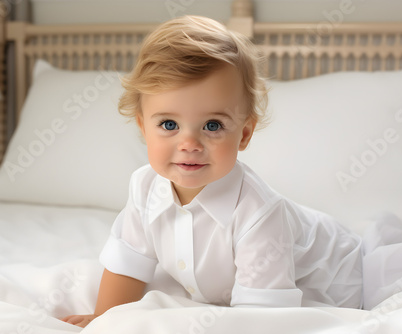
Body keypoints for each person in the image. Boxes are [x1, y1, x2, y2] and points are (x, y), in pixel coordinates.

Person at [62, 15, 363, 328]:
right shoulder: (143, 187)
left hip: (332, 273)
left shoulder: (258, 214)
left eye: (213, 125)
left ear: (244, 134)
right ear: (142, 127)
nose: (190, 143)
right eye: (169, 125)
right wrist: (103, 318)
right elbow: (127, 263)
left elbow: (262, 320)